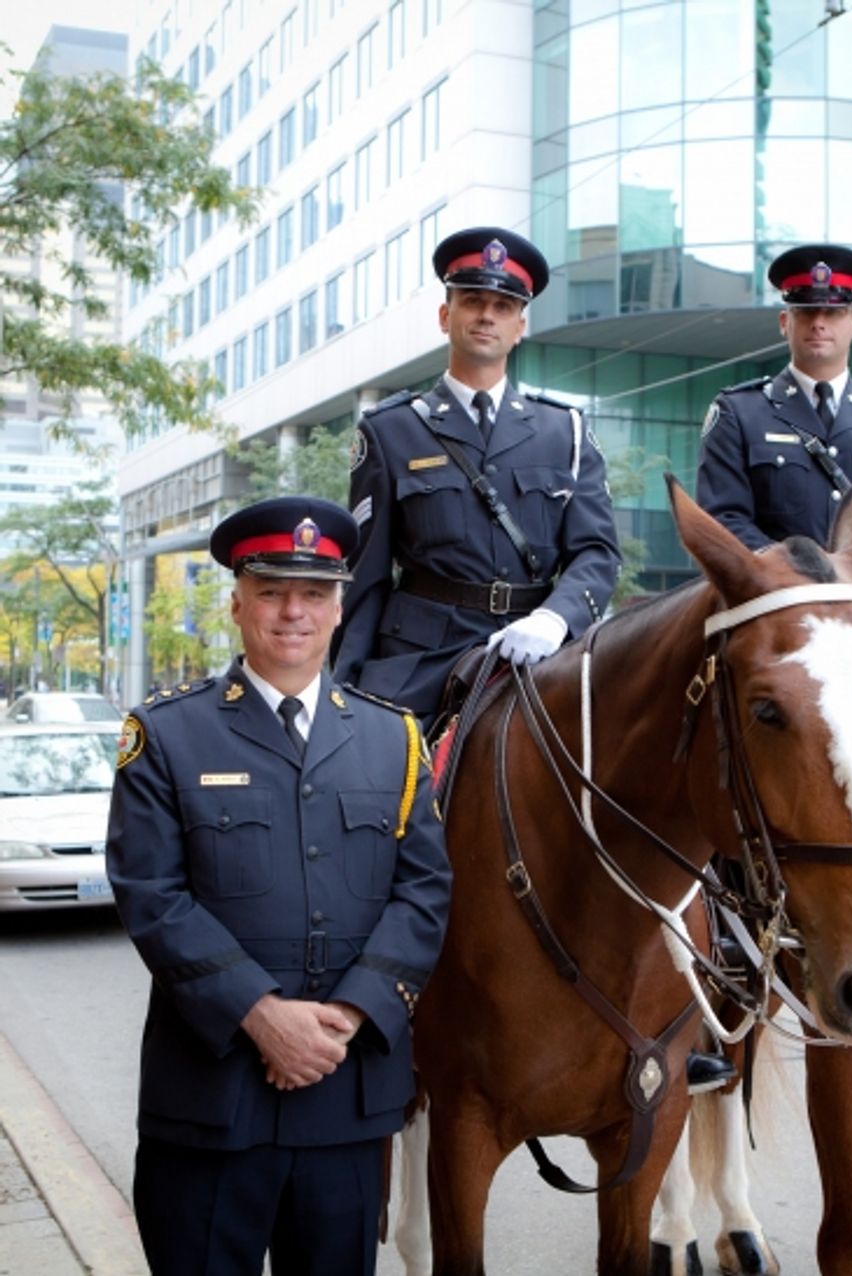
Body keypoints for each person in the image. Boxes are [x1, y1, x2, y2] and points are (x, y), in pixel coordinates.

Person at [105, 495, 453, 1276]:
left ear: (340, 607)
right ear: (237, 603)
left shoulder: (392, 738)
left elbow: (425, 890)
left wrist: (353, 1012)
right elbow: (151, 896)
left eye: (315, 594)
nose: (293, 611)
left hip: (345, 1100)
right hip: (208, 1103)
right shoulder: (166, 734)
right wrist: (261, 1017)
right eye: (271, 591)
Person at [330, 226, 622, 719]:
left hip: (538, 653)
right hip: (420, 666)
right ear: (446, 316)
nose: (487, 315)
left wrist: (556, 618)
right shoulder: (390, 431)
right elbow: (366, 578)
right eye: (472, 301)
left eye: (503, 306)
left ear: (519, 326)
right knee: (390, 791)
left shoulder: (564, 431)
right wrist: (343, 693)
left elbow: (597, 553)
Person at [695, 243, 852, 612]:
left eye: (834, 311)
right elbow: (723, 519)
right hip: (769, 618)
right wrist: (791, 585)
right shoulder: (738, 413)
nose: (819, 322)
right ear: (784, 323)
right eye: (807, 310)